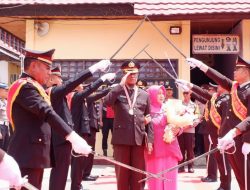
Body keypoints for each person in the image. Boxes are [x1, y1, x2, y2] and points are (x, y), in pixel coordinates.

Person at [6, 48, 92, 189]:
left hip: (32, 155)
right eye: (47, 68)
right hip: (26, 155)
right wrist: (72, 136)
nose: (49, 72)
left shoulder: (34, 86)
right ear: (33, 66)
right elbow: (46, 112)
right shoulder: (25, 87)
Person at [186, 56, 250, 190]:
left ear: (247, 71)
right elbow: (220, 79)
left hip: (243, 139)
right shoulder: (235, 88)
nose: (234, 72)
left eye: (238, 69)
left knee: (247, 176)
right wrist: (202, 66)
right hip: (232, 139)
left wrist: (247, 141)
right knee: (239, 176)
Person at [46, 60, 111, 190]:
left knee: (61, 173)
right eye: (58, 76)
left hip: (63, 136)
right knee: (60, 173)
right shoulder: (54, 91)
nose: (61, 79)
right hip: (60, 137)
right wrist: (97, 72)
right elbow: (80, 85)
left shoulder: (58, 93)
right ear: (51, 78)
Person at [104, 61, 154, 190]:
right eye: (129, 73)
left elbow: (149, 118)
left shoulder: (144, 94)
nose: (133, 76)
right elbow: (107, 102)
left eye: (135, 73)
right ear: (124, 74)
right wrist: (120, 85)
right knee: (122, 175)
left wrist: (150, 141)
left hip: (138, 139)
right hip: (121, 140)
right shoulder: (117, 91)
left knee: (138, 175)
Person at [177, 80, 232, 190]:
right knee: (216, 159)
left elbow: (226, 120)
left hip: (219, 134)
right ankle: (219, 181)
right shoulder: (215, 99)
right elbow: (203, 97)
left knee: (222, 161)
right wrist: (189, 91)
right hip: (212, 133)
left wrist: (190, 88)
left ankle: (223, 183)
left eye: (213, 89)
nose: (211, 91)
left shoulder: (226, 100)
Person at [145, 85, 197, 190]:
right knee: (156, 180)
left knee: (170, 180)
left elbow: (178, 124)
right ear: (151, 95)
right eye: (158, 93)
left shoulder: (169, 108)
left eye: (162, 93)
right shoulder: (146, 110)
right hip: (155, 150)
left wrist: (179, 130)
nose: (161, 96)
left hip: (170, 149)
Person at [70, 74, 115, 190]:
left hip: (90, 128)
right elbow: (99, 94)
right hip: (85, 129)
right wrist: (110, 88)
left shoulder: (84, 98)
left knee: (88, 155)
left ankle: (85, 175)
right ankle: (83, 176)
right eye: (82, 87)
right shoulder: (80, 97)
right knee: (82, 157)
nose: (85, 89)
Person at [177, 90, 200, 173]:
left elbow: (197, 115)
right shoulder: (179, 105)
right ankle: (181, 167)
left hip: (190, 130)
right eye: (184, 93)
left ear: (190, 95)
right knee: (181, 149)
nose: (186, 95)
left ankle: (191, 167)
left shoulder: (194, 105)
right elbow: (175, 115)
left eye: (187, 93)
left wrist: (196, 122)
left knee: (190, 149)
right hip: (181, 129)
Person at [0, 82, 10, 151]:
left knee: (6, 148)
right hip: (1, 126)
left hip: (6, 127)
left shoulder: (6, 101)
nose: (8, 92)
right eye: (6, 90)